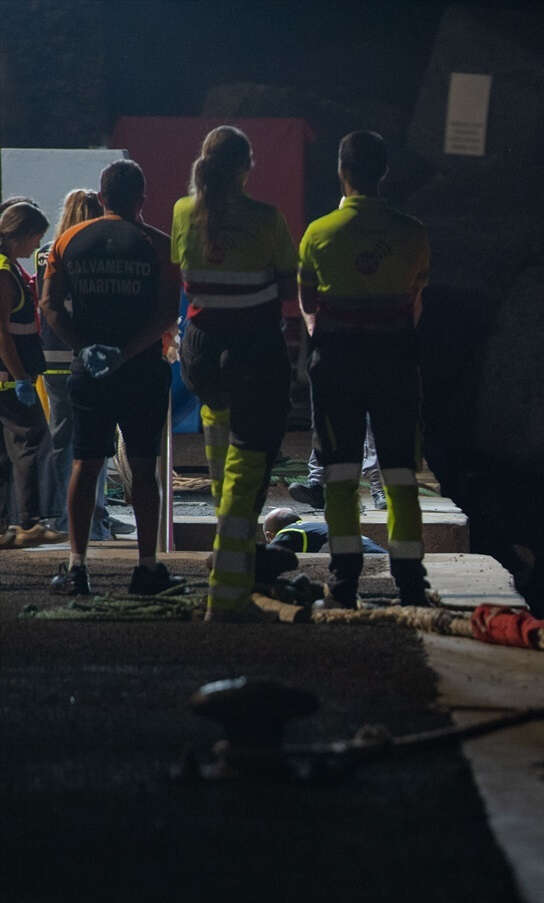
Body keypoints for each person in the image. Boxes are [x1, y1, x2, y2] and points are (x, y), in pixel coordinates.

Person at [297, 130, 431, 609]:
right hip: (396, 359)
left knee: (338, 473)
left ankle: (344, 579)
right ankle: (411, 581)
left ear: (342, 171)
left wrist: (325, 333)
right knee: (399, 473)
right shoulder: (413, 232)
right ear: (384, 172)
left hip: (336, 360)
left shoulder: (319, 232)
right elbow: (415, 300)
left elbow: (307, 300)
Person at [173, 125, 302, 620]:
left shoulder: (184, 212)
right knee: (246, 472)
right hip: (253, 351)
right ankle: (227, 595)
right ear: (246, 167)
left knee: (223, 459)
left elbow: (185, 275)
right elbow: (287, 286)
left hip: (202, 353)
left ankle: (238, 560)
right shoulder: (267, 219)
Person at [40, 161, 182, 596]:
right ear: (142, 197)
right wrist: (126, 352)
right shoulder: (160, 246)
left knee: (85, 462)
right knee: (143, 467)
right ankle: (146, 567)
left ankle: (77, 567)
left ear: (101, 198)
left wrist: (85, 346)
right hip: (142, 370)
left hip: (90, 369)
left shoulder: (67, 241)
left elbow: (48, 305)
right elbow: (165, 314)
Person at [34, 189, 120, 540]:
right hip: (87, 356)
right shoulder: (96, 251)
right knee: (94, 440)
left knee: (60, 438)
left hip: (51, 354)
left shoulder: (44, 253)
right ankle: (94, 517)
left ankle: (59, 514)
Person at [0, 201, 50, 531]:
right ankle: (29, 521)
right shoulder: (4, 273)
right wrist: (20, 378)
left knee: (5, 456)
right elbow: (2, 332)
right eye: (36, 238)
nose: (37, 246)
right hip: (9, 380)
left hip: (11, 377)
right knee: (32, 441)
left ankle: (6, 525)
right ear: (23, 235)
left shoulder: (11, 268)